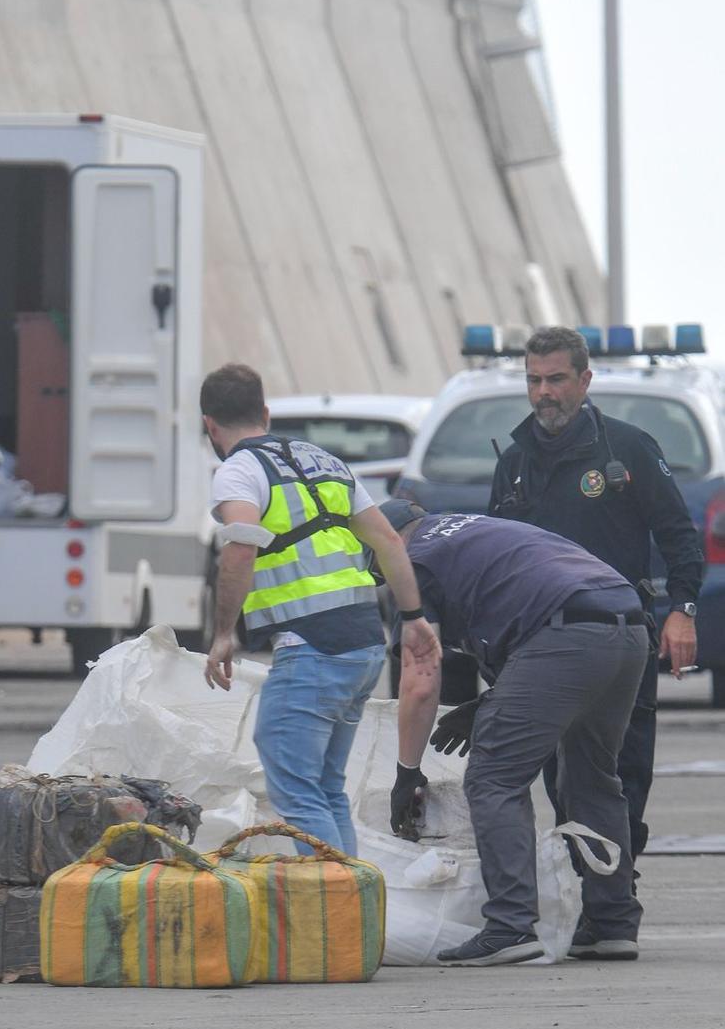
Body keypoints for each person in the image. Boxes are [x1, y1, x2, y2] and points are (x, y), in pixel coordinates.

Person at [385, 501, 649, 967]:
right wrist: (491, 701)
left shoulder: (413, 561)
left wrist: (408, 771)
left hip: (563, 636)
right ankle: (612, 924)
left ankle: (510, 926)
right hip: (625, 627)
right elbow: (524, 600)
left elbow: (421, 680)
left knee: (493, 779)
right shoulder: (467, 531)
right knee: (591, 779)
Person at [200, 364, 440, 856]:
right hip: (362, 644)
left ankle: (336, 918)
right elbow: (390, 541)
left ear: (209, 425)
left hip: (312, 648)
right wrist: (413, 617)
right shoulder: (324, 461)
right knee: (326, 790)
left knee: (296, 792)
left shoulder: (239, 470)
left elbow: (241, 544)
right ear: (264, 412)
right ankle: (354, 919)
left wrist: (224, 633)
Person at [488, 325, 701, 857]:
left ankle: (615, 893)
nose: (544, 393)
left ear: (585, 380)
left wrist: (683, 611)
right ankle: (587, 888)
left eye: (556, 379)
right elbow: (496, 561)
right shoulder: (513, 462)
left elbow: (680, 538)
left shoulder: (628, 449)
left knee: (622, 771)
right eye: (534, 380)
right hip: (542, 646)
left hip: (619, 640)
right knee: (559, 777)